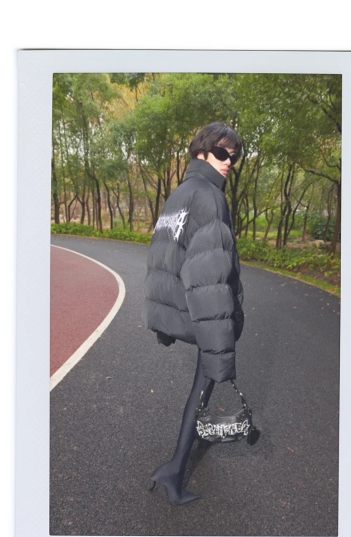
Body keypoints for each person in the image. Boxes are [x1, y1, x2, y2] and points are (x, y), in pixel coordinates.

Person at [142, 122, 244, 505]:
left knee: (203, 384)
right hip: (204, 310)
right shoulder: (210, 198)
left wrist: (164, 319)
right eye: (221, 152)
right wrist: (221, 346)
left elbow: (164, 254)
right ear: (201, 151)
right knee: (205, 380)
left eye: (234, 156)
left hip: (182, 303)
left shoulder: (180, 193)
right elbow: (209, 276)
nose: (228, 161)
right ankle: (175, 467)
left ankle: (193, 437)